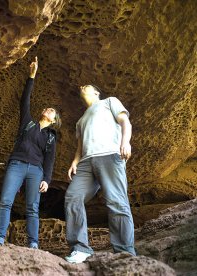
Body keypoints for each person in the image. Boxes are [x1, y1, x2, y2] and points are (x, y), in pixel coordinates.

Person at [0, 57, 62, 249]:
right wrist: (32, 76)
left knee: (32, 208)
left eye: (52, 110)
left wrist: (47, 178)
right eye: (47, 108)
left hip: (36, 171)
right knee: (6, 201)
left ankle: (33, 244)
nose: (48, 110)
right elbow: (25, 100)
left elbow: (50, 159)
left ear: (54, 121)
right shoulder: (28, 122)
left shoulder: (51, 136)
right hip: (17, 164)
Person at [64, 84, 136, 263]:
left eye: (86, 86)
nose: (81, 86)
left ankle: (124, 252)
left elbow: (125, 121)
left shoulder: (109, 102)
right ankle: (80, 248)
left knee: (116, 201)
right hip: (86, 162)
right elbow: (80, 146)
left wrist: (126, 142)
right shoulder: (80, 121)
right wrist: (74, 161)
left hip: (109, 155)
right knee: (72, 196)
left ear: (96, 92)